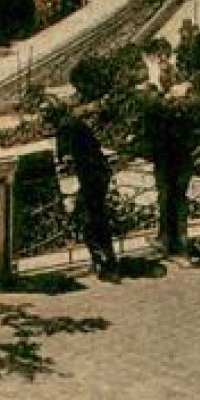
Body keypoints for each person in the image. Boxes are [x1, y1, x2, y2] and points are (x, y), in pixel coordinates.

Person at [140, 41, 198, 261]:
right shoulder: (154, 89)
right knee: (168, 196)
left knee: (175, 195)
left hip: (177, 150)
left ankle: (176, 242)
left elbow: (193, 106)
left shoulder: (181, 85)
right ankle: (171, 241)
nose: (164, 60)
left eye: (166, 55)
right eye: (158, 57)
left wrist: (176, 93)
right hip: (166, 151)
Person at [53, 100, 120, 283]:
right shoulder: (72, 124)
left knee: (90, 220)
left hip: (92, 178)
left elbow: (65, 157)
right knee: (95, 219)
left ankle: (104, 264)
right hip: (96, 176)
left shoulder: (67, 126)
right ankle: (106, 262)